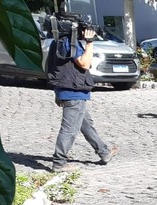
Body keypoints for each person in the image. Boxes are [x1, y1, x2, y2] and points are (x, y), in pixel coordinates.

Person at [48, 20, 118, 172]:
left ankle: (104, 152)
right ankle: (59, 162)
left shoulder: (57, 42)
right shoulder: (71, 43)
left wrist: (57, 92)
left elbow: (56, 67)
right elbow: (85, 63)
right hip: (74, 92)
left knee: (86, 124)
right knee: (69, 129)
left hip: (67, 90)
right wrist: (90, 42)